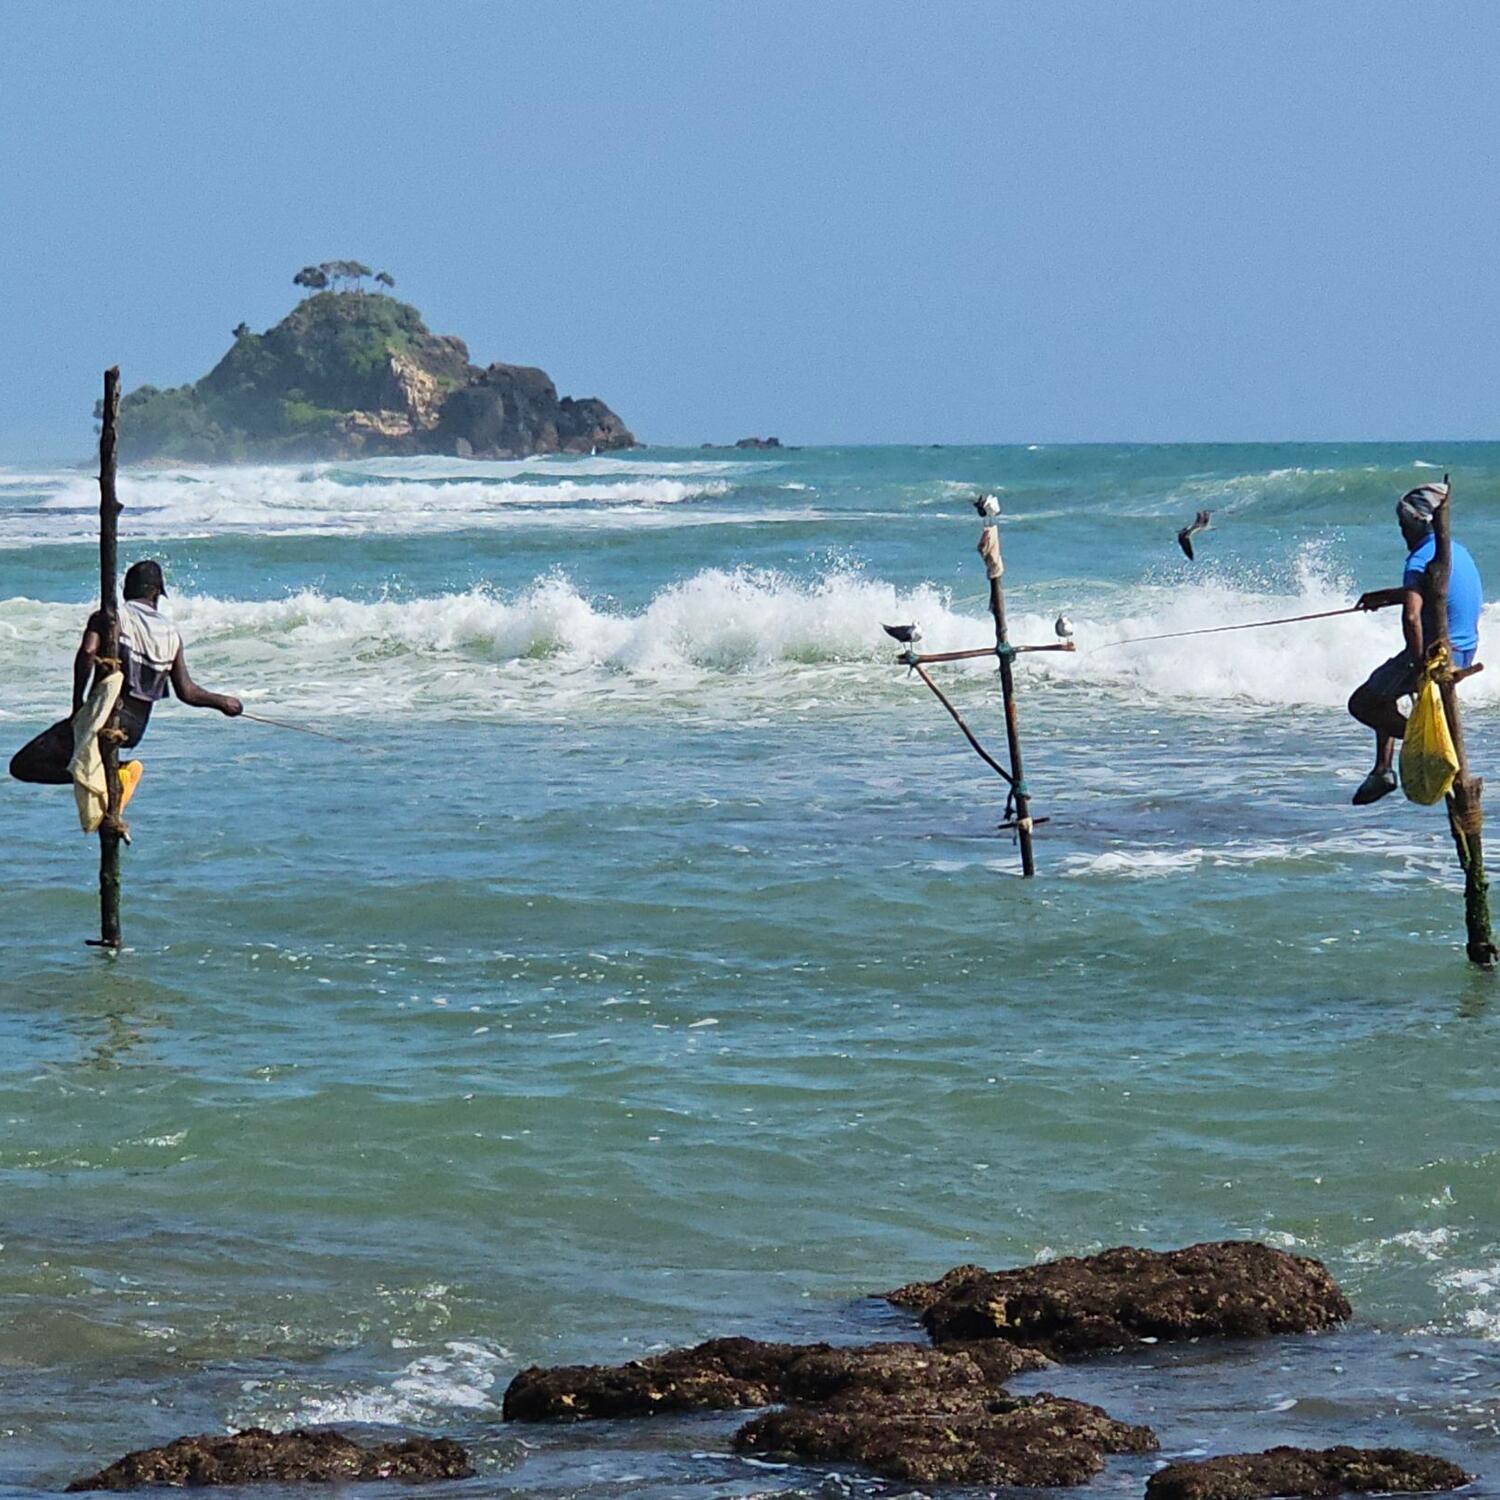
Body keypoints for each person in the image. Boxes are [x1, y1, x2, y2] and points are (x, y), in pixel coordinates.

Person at [8, 559, 242, 787]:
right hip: (133, 730)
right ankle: (114, 773)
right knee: (82, 760)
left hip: (102, 718)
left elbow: (88, 652)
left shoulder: (111, 618)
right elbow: (187, 691)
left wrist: (78, 702)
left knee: (24, 765)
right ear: (157, 593)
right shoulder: (171, 634)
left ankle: (112, 774)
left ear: (126, 591)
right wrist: (224, 702)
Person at [1347, 483, 1482, 805]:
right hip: (1464, 650)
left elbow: (1411, 617)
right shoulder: (1453, 551)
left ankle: (1429, 746)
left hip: (1436, 656)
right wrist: (1386, 596)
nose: (1401, 530)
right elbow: (1432, 591)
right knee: (1384, 691)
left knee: (1363, 704)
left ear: (1416, 523)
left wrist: (1420, 663)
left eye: (1403, 523)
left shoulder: (1419, 558)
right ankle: (1382, 770)